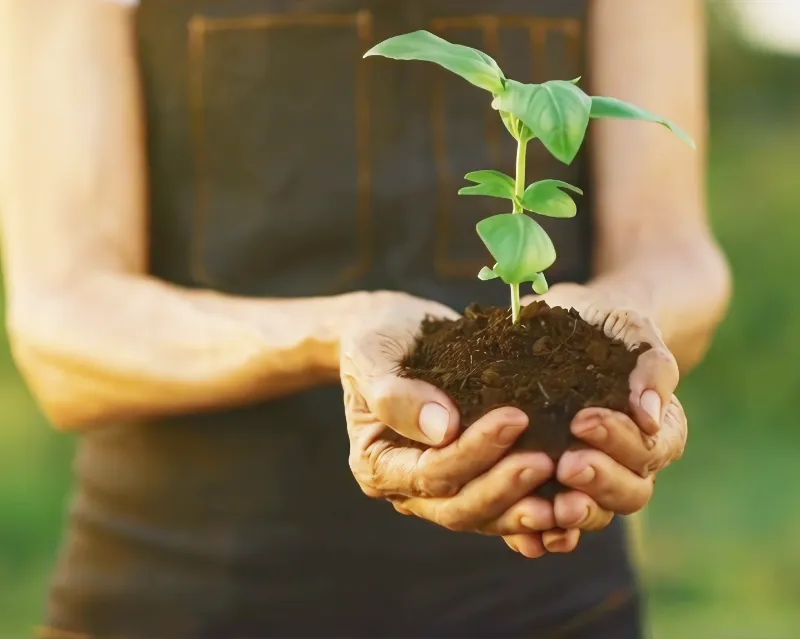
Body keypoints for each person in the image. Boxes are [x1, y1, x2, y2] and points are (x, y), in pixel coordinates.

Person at [0, 0, 730, 637]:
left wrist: (627, 326)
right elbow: (63, 326)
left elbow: (676, 255)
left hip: (545, 597)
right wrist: (341, 334)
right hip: (175, 596)